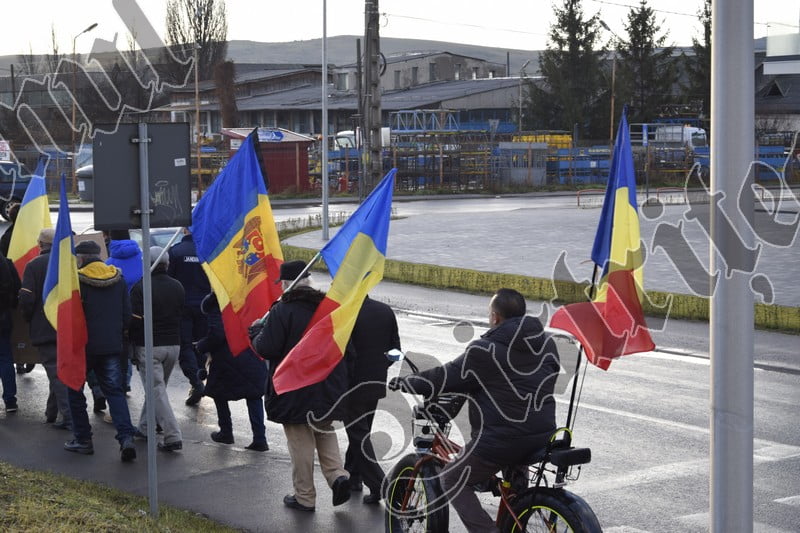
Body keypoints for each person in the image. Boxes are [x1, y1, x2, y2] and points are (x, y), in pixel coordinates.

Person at [394, 288, 560, 533]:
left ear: (495, 317)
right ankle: (517, 518)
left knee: (451, 478)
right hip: (542, 435)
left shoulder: (484, 350)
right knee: (514, 480)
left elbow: (445, 377)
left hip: (501, 441)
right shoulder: (547, 343)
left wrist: (409, 382)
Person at [251, 260, 351, 512]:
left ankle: (304, 497)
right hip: (326, 384)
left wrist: (255, 334)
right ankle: (338, 476)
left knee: (300, 440)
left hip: (293, 387)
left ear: (286, 283)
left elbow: (267, 347)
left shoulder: (282, 310)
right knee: (324, 430)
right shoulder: (328, 309)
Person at [63, 240, 137, 462]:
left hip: (83, 347)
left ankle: (83, 439)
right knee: (115, 392)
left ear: (81, 258)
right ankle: (126, 438)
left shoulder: (76, 281)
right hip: (111, 346)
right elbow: (127, 315)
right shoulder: (118, 279)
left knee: (75, 390)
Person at [344, 295, 401, 504]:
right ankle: (353, 476)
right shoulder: (385, 310)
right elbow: (396, 351)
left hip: (352, 384)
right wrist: (378, 367)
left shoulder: (346, 312)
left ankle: (380, 485)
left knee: (358, 435)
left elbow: (343, 352)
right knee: (362, 432)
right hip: (375, 382)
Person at [196, 291, 268, 452]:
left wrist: (202, 345)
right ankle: (260, 438)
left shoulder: (218, 304)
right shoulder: (249, 297)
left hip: (227, 357)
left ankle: (226, 432)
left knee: (219, 393)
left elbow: (217, 334)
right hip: (252, 353)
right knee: (254, 395)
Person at [129, 246, 184, 452]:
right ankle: (145, 428)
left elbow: (135, 321)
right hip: (173, 345)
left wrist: (132, 347)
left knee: (156, 391)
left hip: (150, 346)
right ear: (167, 264)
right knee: (157, 390)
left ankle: (172, 435)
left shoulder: (141, 287)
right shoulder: (178, 286)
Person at [18, 228, 72, 429]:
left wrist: (27, 317)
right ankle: (52, 412)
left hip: (45, 326)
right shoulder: (68, 263)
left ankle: (69, 417)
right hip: (67, 326)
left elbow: (26, 297)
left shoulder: (34, 265)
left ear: (40, 244)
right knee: (57, 371)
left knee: (56, 374)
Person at [168, 228, 210, 406]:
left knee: (185, 346)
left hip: (182, 306)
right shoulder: (206, 252)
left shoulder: (175, 251)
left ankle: (196, 381)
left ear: (184, 230)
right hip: (203, 306)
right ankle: (198, 377)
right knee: (200, 345)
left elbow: (169, 279)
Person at [105, 228, 143, 396]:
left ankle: (125, 381)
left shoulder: (109, 263)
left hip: (119, 311)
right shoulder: (142, 258)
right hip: (142, 309)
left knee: (123, 348)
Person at [0, 251, 21, 413]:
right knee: (5, 358)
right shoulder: (6, 263)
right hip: (3, 317)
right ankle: (10, 400)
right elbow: (17, 289)